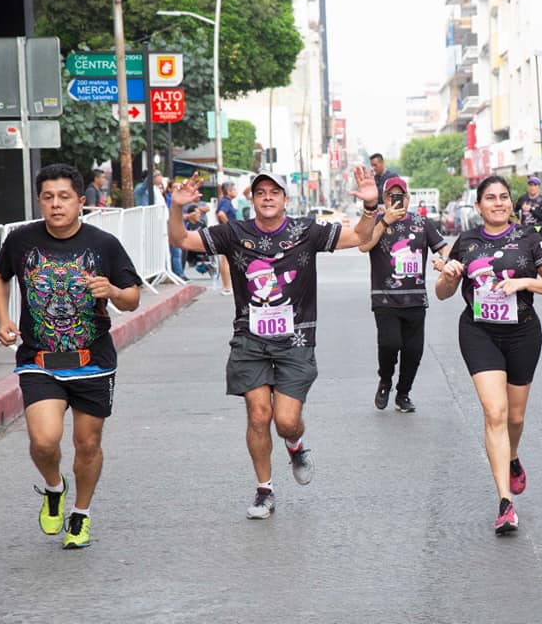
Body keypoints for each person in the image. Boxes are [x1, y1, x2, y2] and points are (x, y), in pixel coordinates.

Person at [168, 167, 380, 519]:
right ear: (252, 199)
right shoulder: (233, 233)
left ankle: (295, 445)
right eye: (260, 192)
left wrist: (371, 206)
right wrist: (176, 209)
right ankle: (264, 490)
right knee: (258, 414)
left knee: (285, 421)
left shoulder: (306, 231)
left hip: (295, 340)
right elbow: (183, 241)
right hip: (249, 340)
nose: (267, 197)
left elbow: (359, 235)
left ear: (284, 199)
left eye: (274, 192)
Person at [0, 163, 142, 549]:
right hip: (39, 360)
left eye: (64, 197)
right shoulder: (21, 240)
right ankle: (55, 488)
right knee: (44, 441)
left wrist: (111, 290)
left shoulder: (104, 244)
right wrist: (4, 318)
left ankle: (81, 514)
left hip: (92, 361)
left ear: (80, 201)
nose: (56, 205)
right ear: (40, 200)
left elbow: (132, 297)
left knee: (87, 444)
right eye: (48, 197)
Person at [435, 175, 542, 535]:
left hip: (523, 332)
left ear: (512, 203)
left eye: (504, 197)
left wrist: (525, 282)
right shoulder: (466, 242)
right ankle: (505, 503)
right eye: (490, 198)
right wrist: (449, 274)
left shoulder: (529, 239)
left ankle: (511, 455)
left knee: (516, 417)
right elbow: (443, 292)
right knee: (495, 412)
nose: (498, 203)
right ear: (478, 206)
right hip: (479, 331)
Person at [358, 177, 449, 413]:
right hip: (385, 298)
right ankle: (385, 380)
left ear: (408, 199)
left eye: (400, 196)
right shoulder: (377, 221)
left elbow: (443, 247)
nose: (396, 201)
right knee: (390, 344)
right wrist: (383, 222)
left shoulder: (422, 223)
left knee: (413, 351)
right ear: (384, 200)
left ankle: (403, 393)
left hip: (416, 300)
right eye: (391, 197)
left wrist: (448, 260)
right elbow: (364, 245)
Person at [216, 181, 239, 295]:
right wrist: (229, 225)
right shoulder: (226, 202)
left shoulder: (225, 201)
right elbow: (221, 214)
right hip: (227, 233)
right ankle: (226, 286)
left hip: (225, 231)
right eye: (234, 189)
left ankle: (228, 286)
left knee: (226, 259)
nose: (236, 191)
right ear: (229, 191)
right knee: (225, 259)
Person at [514, 176, 542, 242]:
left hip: (538, 230)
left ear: (538, 187)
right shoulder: (522, 199)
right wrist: (517, 221)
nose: (532, 187)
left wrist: (531, 210)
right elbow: (515, 211)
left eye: (534, 185)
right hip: (525, 230)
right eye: (530, 185)